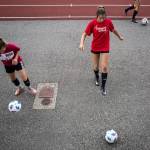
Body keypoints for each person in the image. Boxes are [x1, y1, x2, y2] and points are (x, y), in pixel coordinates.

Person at [79, 6, 123, 96]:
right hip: (95, 47)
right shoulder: (92, 23)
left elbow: (113, 30)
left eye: (104, 18)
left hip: (105, 47)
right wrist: (81, 43)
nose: (102, 20)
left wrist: (119, 36)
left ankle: (103, 87)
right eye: (100, 18)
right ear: (97, 16)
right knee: (95, 67)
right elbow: (84, 34)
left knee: (104, 67)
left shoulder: (108, 22)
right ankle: (96, 76)